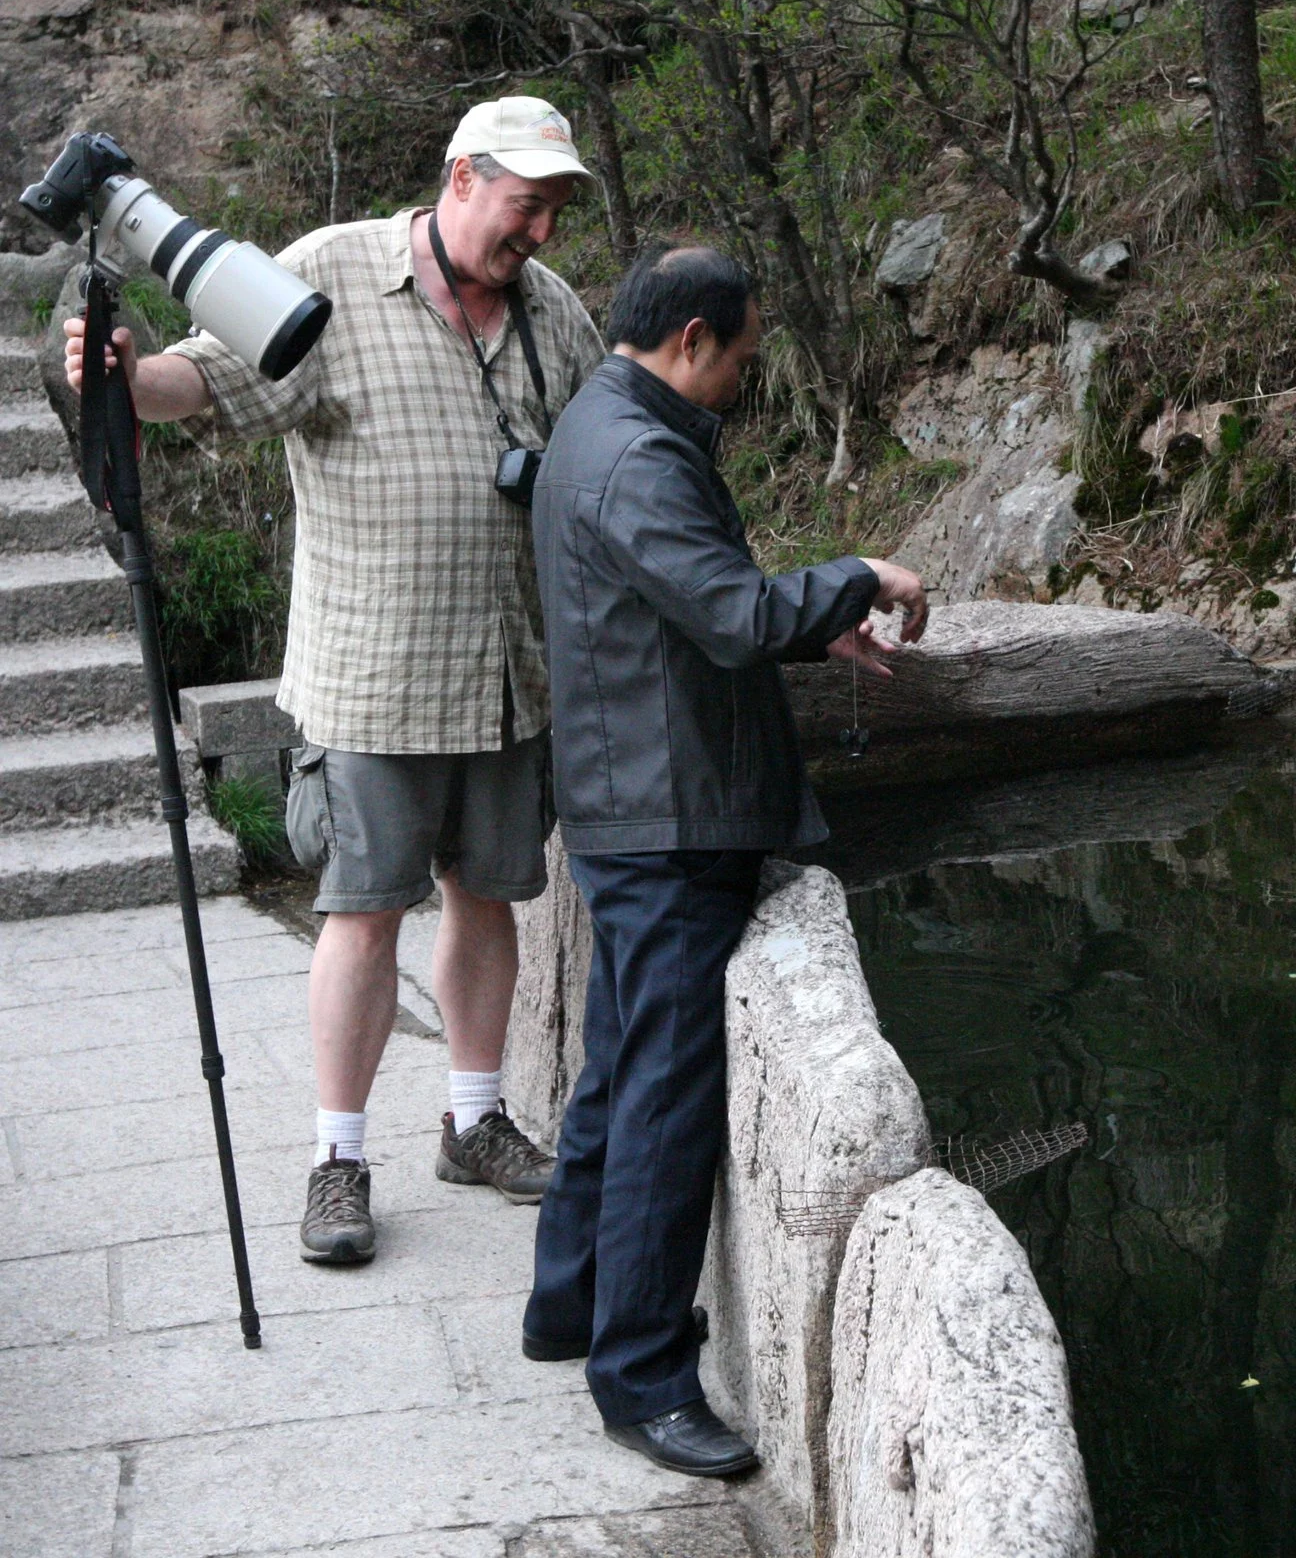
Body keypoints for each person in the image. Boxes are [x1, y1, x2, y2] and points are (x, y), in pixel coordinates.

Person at [65, 97, 608, 1265]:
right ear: (461, 178)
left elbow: (604, 453)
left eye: (554, 213)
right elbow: (206, 382)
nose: (540, 234)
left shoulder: (553, 309)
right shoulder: (329, 271)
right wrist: (124, 373)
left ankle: (473, 1120)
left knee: (487, 898)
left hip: (510, 674)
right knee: (362, 914)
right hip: (373, 678)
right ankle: (338, 1158)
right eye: (526, 207)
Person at [523, 243, 928, 1477]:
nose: (745, 381)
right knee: (665, 1096)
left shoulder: (597, 422)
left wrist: (814, 627)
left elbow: (680, 611)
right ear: (691, 338)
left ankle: (567, 1298)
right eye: (742, 360)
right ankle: (643, 1377)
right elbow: (733, 612)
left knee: (618, 1068)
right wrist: (857, 576)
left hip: (633, 800)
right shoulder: (640, 455)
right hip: (667, 819)